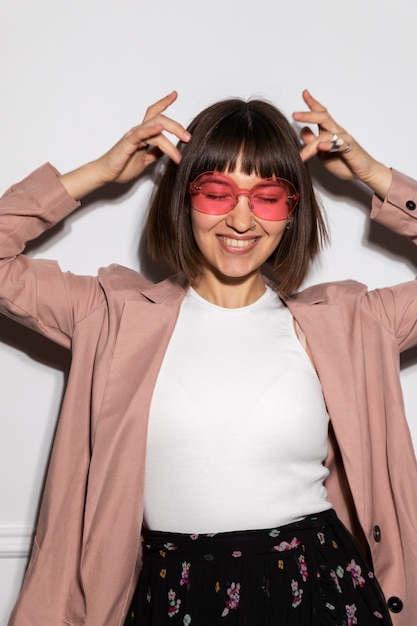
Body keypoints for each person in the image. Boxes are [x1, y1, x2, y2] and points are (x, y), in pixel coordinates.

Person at [1, 89, 417, 626]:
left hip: (317, 591)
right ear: (183, 197)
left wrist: (375, 174)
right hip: (170, 596)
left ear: (293, 211)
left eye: (268, 196)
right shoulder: (110, 316)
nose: (242, 221)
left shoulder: (349, 323)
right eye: (217, 192)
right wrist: (99, 172)